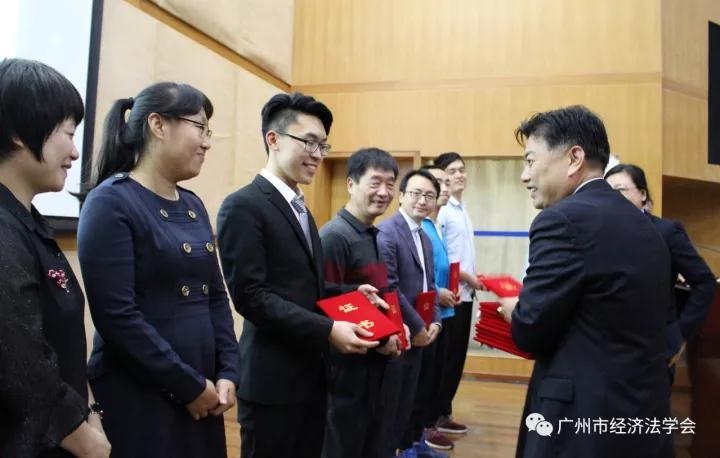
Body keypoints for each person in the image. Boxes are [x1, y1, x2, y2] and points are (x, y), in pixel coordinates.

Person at [499, 105, 673, 457]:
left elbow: (531, 330)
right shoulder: (645, 225)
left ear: (574, 158)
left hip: (579, 422)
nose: (524, 176)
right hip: (640, 411)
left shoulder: (561, 221)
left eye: (530, 161)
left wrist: (515, 311)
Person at [77, 82, 238, 457]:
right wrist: (188, 386)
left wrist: (229, 371)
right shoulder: (111, 202)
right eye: (199, 127)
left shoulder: (194, 205)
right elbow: (117, 317)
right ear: (158, 125)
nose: (207, 142)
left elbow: (216, 297)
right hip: (145, 395)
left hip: (205, 391)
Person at [216, 92, 379, 458]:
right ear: (273, 139)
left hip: (311, 377)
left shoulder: (300, 207)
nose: (318, 154)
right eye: (308, 142)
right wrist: (328, 329)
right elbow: (251, 297)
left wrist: (350, 294)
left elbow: (303, 286)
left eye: (323, 145)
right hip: (272, 383)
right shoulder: (243, 206)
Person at [0, 58, 111, 458]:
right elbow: (20, 359)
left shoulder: (28, 221)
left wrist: (90, 413)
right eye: (68, 133)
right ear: (18, 134)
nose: (76, 152)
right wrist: (86, 439)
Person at [320, 147, 405, 458]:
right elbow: (327, 301)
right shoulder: (334, 236)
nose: (384, 192)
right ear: (351, 184)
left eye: (390, 184)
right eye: (375, 182)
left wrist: (395, 328)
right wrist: (381, 340)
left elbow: (376, 296)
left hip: (374, 367)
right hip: (346, 373)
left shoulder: (372, 234)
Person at [605, 163, 716, 379]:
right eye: (608, 193)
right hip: (608, 351)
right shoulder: (600, 233)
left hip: (653, 351)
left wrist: (679, 335)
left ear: (642, 194)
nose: (613, 198)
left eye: (620, 190)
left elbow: (704, 282)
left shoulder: (666, 231)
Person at [377, 169, 444, 457]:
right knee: (390, 405)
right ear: (401, 196)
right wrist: (417, 327)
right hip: (399, 332)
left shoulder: (425, 237)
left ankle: (406, 447)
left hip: (421, 332)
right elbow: (390, 287)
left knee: (409, 400)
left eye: (429, 195)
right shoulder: (387, 233)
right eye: (416, 193)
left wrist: (436, 321)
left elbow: (431, 285)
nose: (422, 200)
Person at [409, 165, 460, 451]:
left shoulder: (432, 226)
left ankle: (422, 432)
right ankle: (417, 435)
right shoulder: (414, 228)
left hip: (437, 314)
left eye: (441, 185)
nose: (442, 189)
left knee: (434, 376)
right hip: (420, 315)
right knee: (421, 381)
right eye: (421, 191)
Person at [433, 152, 478, 435]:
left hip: (466, 294)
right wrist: (469, 278)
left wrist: (474, 278)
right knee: (445, 359)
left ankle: (444, 411)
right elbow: (446, 258)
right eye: (452, 171)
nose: (459, 175)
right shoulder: (443, 210)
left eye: (462, 169)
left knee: (457, 358)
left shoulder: (462, 209)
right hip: (450, 297)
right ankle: (436, 414)